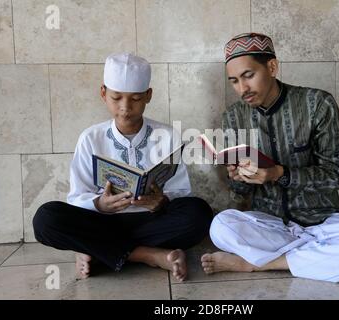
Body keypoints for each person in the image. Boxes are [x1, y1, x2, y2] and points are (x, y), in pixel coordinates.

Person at [201, 33, 339, 282]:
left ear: (272, 67)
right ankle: (314, 259)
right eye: (234, 81)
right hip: (271, 226)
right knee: (221, 226)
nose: (243, 89)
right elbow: (240, 191)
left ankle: (258, 265)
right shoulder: (233, 117)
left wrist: (279, 174)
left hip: (323, 223)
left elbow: (335, 174)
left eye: (248, 76)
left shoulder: (317, 104)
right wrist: (237, 176)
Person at [33, 53, 213, 281]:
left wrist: (161, 203)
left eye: (136, 98)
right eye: (116, 98)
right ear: (103, 93)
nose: (125, 107)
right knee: (45, 219)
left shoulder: (167, 136)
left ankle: (98, 250)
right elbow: (77, 196)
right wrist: (101, 204)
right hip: (102, 222)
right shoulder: (90, 138)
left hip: (151, 221)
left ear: (148, 95)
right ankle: (149, 255)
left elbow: (182, 193)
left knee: (198, 213)